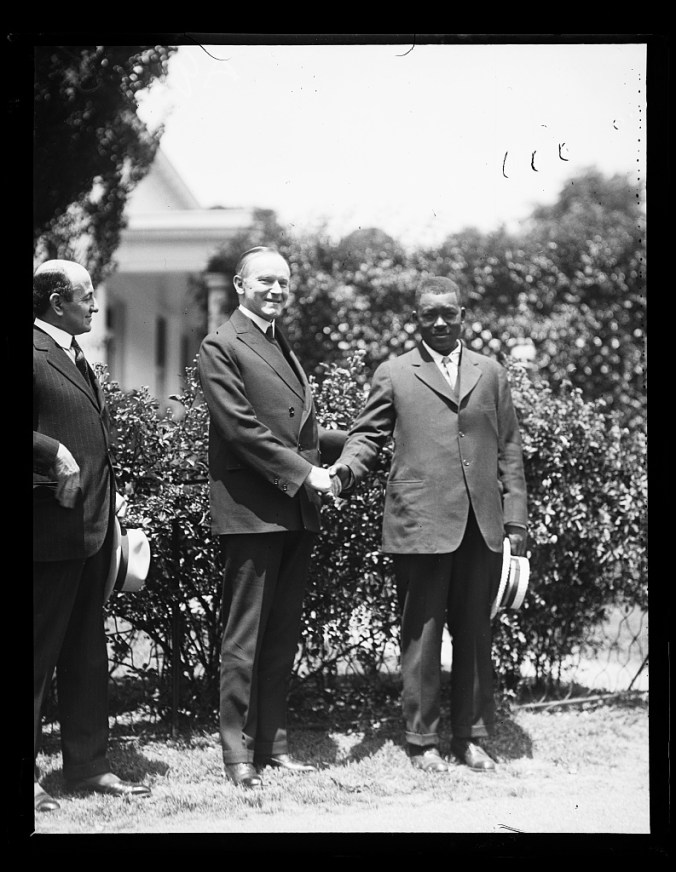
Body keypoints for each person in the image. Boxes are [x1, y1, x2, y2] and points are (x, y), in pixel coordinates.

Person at [329, 276, 528, 773]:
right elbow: (367, 437)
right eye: (428, 315)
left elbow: (509, 451)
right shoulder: (395, 373)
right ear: (416, 319)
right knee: (422, 634)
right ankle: (422, 741)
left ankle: (472, 736)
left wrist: (516, 520)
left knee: (476, 634)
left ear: (463, 316)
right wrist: (344, 471)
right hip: (420, 524)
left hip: (481, 525)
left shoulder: (492, 372)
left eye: (449, 314)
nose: (439, 322)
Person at [197, 246, 346, 789]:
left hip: (294, 512)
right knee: (244, 638)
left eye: (283, 282)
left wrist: (351, 443)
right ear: (240, 285)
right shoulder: (221, 344)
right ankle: (238, 754)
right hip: (253, 512)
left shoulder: (280, 343)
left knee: (280, 635)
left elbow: (294, 429)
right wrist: (310, 474)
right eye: (265, 281)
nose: (277, 290)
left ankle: (273, 745)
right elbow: (241, 430)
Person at [33, 259, 151, 812]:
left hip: (92, 526)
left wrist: (112, 495)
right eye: (85, 297)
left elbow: (88, 436)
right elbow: (55, 440)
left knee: (85, 653)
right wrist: (51, 451)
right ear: (57, 301)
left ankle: (89, 768)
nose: (95, 306)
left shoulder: (76, 355)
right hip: (47, 530)